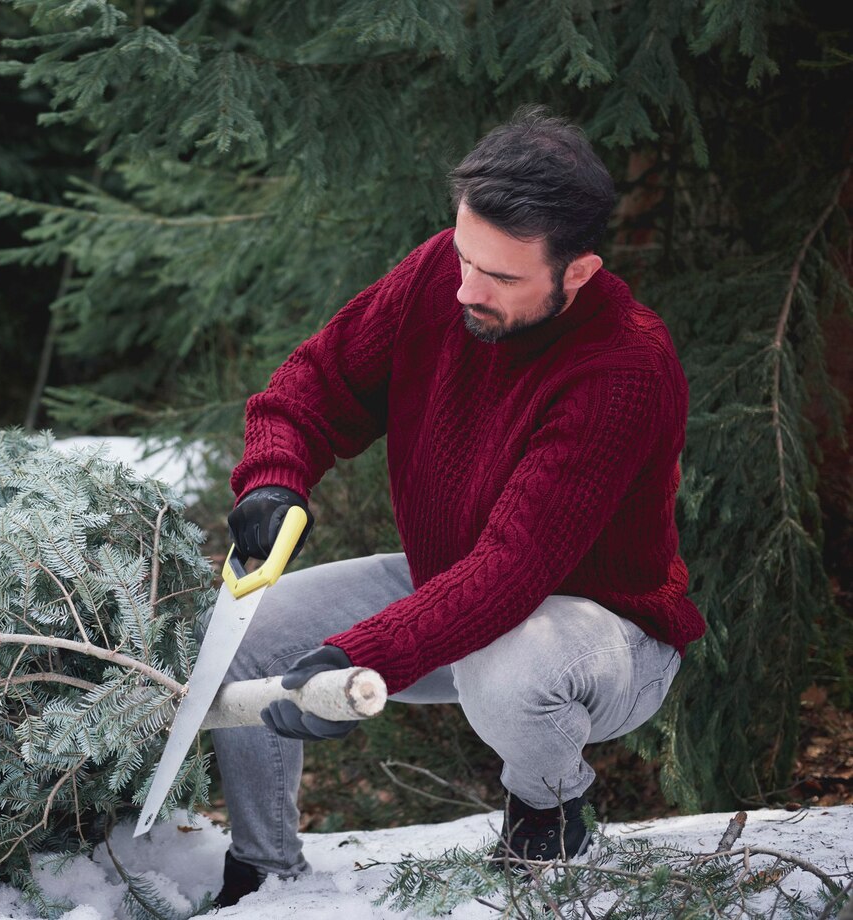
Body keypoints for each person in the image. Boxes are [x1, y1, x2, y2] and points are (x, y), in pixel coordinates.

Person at [211, 106, 707, 907]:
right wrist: (275, 477)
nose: (466, 289)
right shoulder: (446, 273)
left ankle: (550, 815)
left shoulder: (625, 368)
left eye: (502, 278)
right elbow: (316, 383)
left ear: (576, 272)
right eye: (464, 257)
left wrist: (359, 657)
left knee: (512, 672)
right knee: (251, 630)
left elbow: (514, 571)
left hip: (599, 630)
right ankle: (263, 876)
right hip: (453, 585)